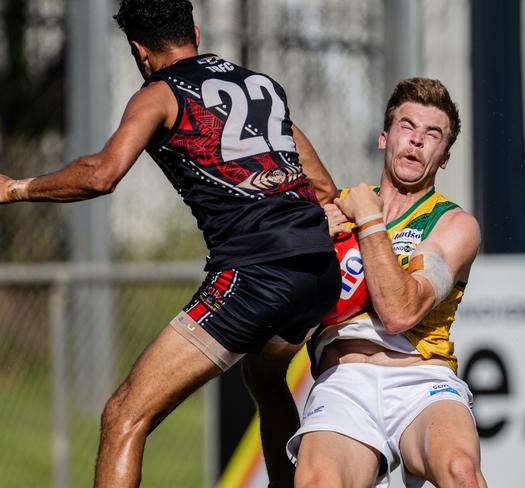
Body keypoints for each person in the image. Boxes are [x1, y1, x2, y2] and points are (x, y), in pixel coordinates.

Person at [0, 1, 341, 486]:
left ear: (139, 51)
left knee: (124, 415)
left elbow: (101, 175)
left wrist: (17, 188)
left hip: (255, 275)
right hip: (317, 269)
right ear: (195, 32)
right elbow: (323, 187)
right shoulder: (261, 86)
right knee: (266, 379)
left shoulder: (159, 94)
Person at [249, 77, 487, 488]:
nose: (416, 142)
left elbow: (399, 313)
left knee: (461, 472)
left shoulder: (454, 224)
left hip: (421, 381)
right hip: (344, 379)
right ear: (384, 137)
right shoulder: (333, 211)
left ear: (444, 157)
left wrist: (369, 220)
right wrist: (305, 238)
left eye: (432, 135)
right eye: (407, 127)